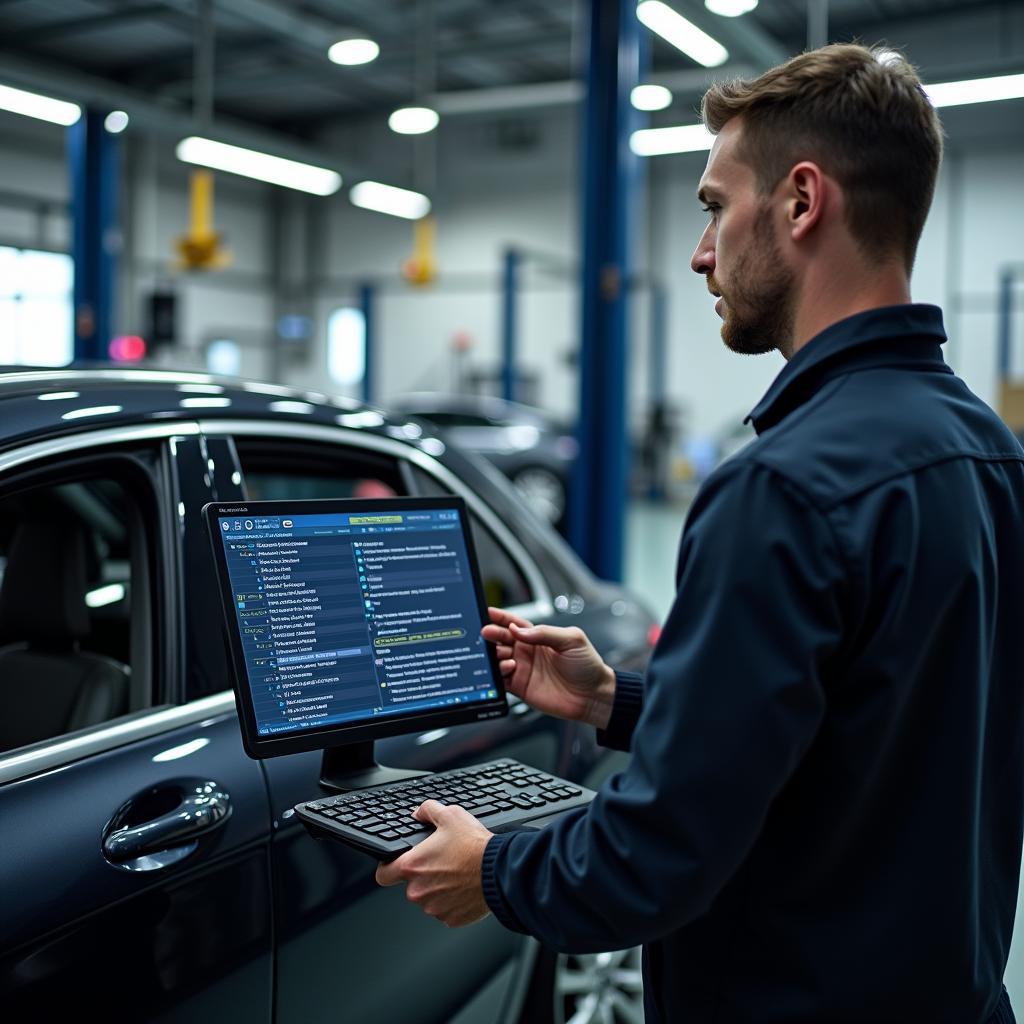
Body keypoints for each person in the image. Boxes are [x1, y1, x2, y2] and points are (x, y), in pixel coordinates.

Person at [376, 43, 1024, 1023]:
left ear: (801, 202)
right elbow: (869, 722)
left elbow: (655, 858)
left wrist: (496, 867)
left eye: (715, 205)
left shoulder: (782, 487)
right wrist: (619, 703)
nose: (700, 251)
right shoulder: (985, 448)